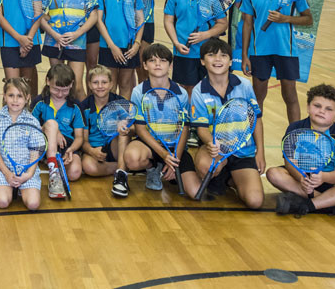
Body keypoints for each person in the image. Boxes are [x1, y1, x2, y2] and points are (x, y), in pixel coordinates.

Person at [267, 84, 335, 222]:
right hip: (302, 179)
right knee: (273, 174)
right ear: (308, 107)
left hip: (330, 181)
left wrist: (323, 177)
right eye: (317, 106)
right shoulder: (295, 128)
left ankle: (308, 205)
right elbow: (290, 162)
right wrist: (301, 178)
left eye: (329, 109)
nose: (322, 111)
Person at [240, 0, 314, 123]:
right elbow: (247, 24)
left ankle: (294, 138)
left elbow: (308, 19)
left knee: (290, 97)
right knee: (258, 98)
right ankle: (253, 139)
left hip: (286, 51)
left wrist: (285, 18)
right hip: (259, 53)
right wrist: (244, 56)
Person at [190, 39, 265, 210]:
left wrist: (260, 152)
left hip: (243, 152)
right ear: (202, 61)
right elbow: (201, 128)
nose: (218, 59)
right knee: (204, 166)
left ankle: (231, 179)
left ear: (230, 62)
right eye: (211, 55)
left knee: (255, 201)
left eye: (223, 55)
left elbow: (257, 119)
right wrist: (210, 143)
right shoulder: (198, 91)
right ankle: (220, 174)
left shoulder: (244, 86)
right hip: (217, 151)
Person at [123, 43, 199, 196]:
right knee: (132, 158)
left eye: (163, 61)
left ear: (170, 65)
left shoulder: (182, 93)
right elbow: (140, 129)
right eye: (152, 60)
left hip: (175, 148)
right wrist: (163, 155)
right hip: (151, 146)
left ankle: (168, 169)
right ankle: (153, 168)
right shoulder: (138, 92)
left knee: (194, 191)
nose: (158, 64)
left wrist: (174, 160)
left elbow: (184, 128)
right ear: (144, 65)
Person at [162, 0, 228, 93]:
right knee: (187, 89)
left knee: (207, 88)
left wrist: (206, 35)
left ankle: (203, 115)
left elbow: (222, 23)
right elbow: (168, 20)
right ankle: (189, 115)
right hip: (183, 52)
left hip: (208, 52)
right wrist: (175, 42)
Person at [41, 0, 97, 101]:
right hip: (54, 41)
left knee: (77, 87)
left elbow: (93, 16)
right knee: (56, 85)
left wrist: (77, 34)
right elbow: (40, 16)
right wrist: (55, 35)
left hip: (77, 42)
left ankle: (83, 122)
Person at [0, 77, 42, 210]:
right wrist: (7, 174)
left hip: (27, 172)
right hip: (3, 171)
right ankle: (10, 187)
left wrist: (29, 174)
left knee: (33, 205)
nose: (15, 100)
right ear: (4, 96)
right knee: (2, 202)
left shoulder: (32, 121)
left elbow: (35, 152)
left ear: (27, 98)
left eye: (20, 96)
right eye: (11, 95)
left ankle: (21, 188)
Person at [32, 63, 85, 199]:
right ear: (47, 81)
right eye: (56, 89)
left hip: (66, 145)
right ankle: (53, 173)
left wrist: (71, 150)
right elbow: (30, 129)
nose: (60, 94)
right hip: (43, 141)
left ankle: (53, 162)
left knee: (75, 173)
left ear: (72, 84)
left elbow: (79, 137)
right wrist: (54, 131)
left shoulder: (76, 105)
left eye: (65, 90)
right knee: (51, 123)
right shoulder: (39, 102)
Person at [95, 0, 144, 98]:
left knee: (125, 84)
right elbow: (99, 21)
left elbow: (141, 20)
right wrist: (112, 46)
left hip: (129, 46)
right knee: (109, 86)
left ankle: (124, 119)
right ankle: (109, 118)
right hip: (108, 46)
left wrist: (136, 44)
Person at [78, 66, 132, 195]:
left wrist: (126, 126)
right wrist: (92, 151)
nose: (100, 86)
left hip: (115, 145)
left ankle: (120, 177)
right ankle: (121, 167)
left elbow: (134, 129)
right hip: (95, 148)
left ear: (111, 84)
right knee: (88, 166)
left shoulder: (120, 103)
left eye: (104, 82)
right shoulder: (83, 107)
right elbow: (83, 140)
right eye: (95, 82)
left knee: (123, 133)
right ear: (89, 85)